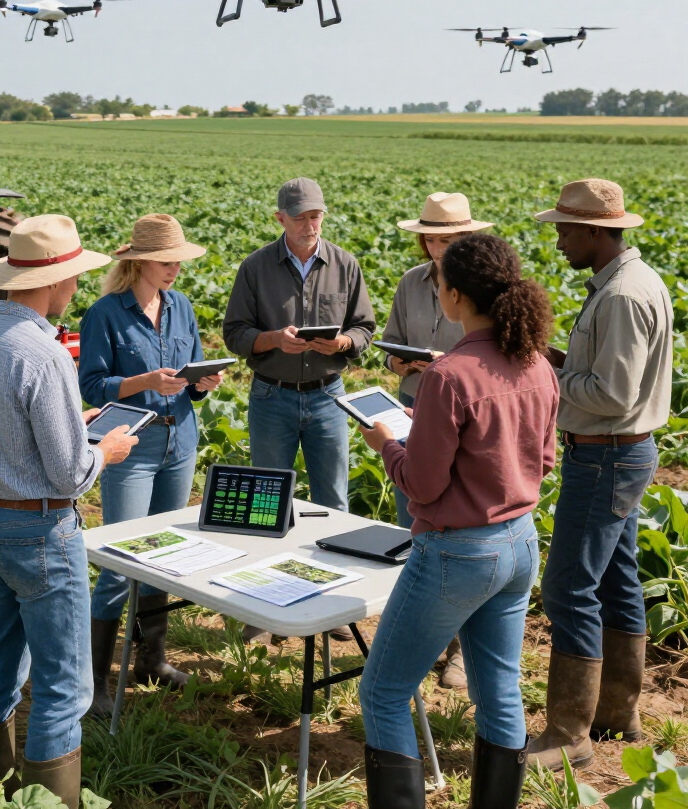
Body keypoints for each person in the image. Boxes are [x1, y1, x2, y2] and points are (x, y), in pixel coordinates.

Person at [356, 234, 558, 809]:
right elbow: (543, 461)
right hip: (519, 543)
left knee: (384, 692)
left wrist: (388, 443)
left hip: (457, 553)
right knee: (499, 691)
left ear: (454, 295)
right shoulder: (537, 363)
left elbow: (422, 484)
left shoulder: (449, 375)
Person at [0, 214, 138, 809]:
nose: (76, 288)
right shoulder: (44, 353)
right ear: (53, 282)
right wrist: (104, 449)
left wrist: (69, 427)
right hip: (41, 530)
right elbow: (69, 475)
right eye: (73, 278)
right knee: (64, 686)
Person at [528, 179, 672, 772]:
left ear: (593, 231)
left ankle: (569, 734)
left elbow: (612, 395)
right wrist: (564, 363)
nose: (558, 240)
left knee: (567, 586)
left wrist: (542, 384)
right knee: (616, 580)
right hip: (621, 451)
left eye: (564, 228)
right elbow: (610, 377)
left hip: (607, 452)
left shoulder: (620, 295)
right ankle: (617, 712)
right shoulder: (631, 282)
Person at [78, 214, 224, 716]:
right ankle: (93, 685)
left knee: (162, 554)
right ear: (139, 262)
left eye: (179, 260)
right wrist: (144, 382)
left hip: (180, 442)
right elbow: (92, 388)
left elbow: (190, 374)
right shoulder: (104, 314)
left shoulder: (181, 307)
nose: (176, 269)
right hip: (131, 449)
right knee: (120, 564)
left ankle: (151, 661)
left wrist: (202, 385)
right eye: (167, 261)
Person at [383, 191, 493, 690]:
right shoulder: (410, 283)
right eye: (430, 238)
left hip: (465, 419)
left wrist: (445, 368)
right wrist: (403, 362)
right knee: (419, 529)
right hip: (414, 406)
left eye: (447, 238)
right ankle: (432, 643)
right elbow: (389, 344)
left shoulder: (482, 287)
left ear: (466, 238)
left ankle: (462, 654)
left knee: (460, 539)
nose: (436, 246)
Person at [222, 177, 375, 512]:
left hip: (328, 397)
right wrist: (271, 340)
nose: (310, 225)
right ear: (280, 218)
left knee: (334, 499)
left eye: (315, 216)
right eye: (300, 217)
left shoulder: (345, 265)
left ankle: (333, 563)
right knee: (267, 502)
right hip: (271, 397)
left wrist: (342, 343)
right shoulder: (255, 267)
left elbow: (364, 329)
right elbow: (234, 333)